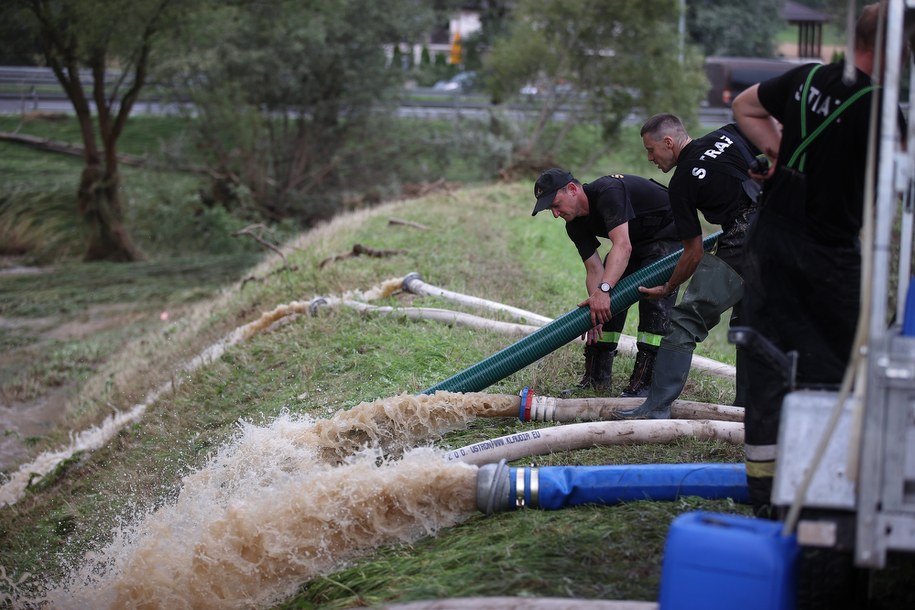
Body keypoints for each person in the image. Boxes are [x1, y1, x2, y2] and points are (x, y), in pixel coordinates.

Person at [731, 3, 883, 518]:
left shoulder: (807, 77)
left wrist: (777, 157)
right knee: (837, 367)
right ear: (893, 49)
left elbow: (746, 107)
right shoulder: (880, 108)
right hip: (827, 251)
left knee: (768, 354)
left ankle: (765, 495)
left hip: (769, 238)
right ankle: (823, 493)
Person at [613, 114, 760, 419]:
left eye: (651, 150)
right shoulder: (727, 135)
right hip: (785, 229)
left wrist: (669, 287)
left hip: (745, 238)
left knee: (684, 321)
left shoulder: (681, 183)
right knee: (749, 323)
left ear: (669, 142)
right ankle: (746, 409)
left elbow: (693, 252)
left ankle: (655, 408)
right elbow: (775, 140)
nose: (650, 158)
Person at [531, 168, 681, 397]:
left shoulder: (608, 191)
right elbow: (594, 269)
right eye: (550, 209)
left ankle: (645, 385)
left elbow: (622, 246)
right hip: (635, 242)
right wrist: (597, 304)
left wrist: (604, 289)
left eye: (556, 205)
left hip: (668, 234)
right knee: (603, 307)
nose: (555, 214)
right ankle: (596, 380)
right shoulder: (574, 224)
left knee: (654, 304)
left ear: (572, 189)